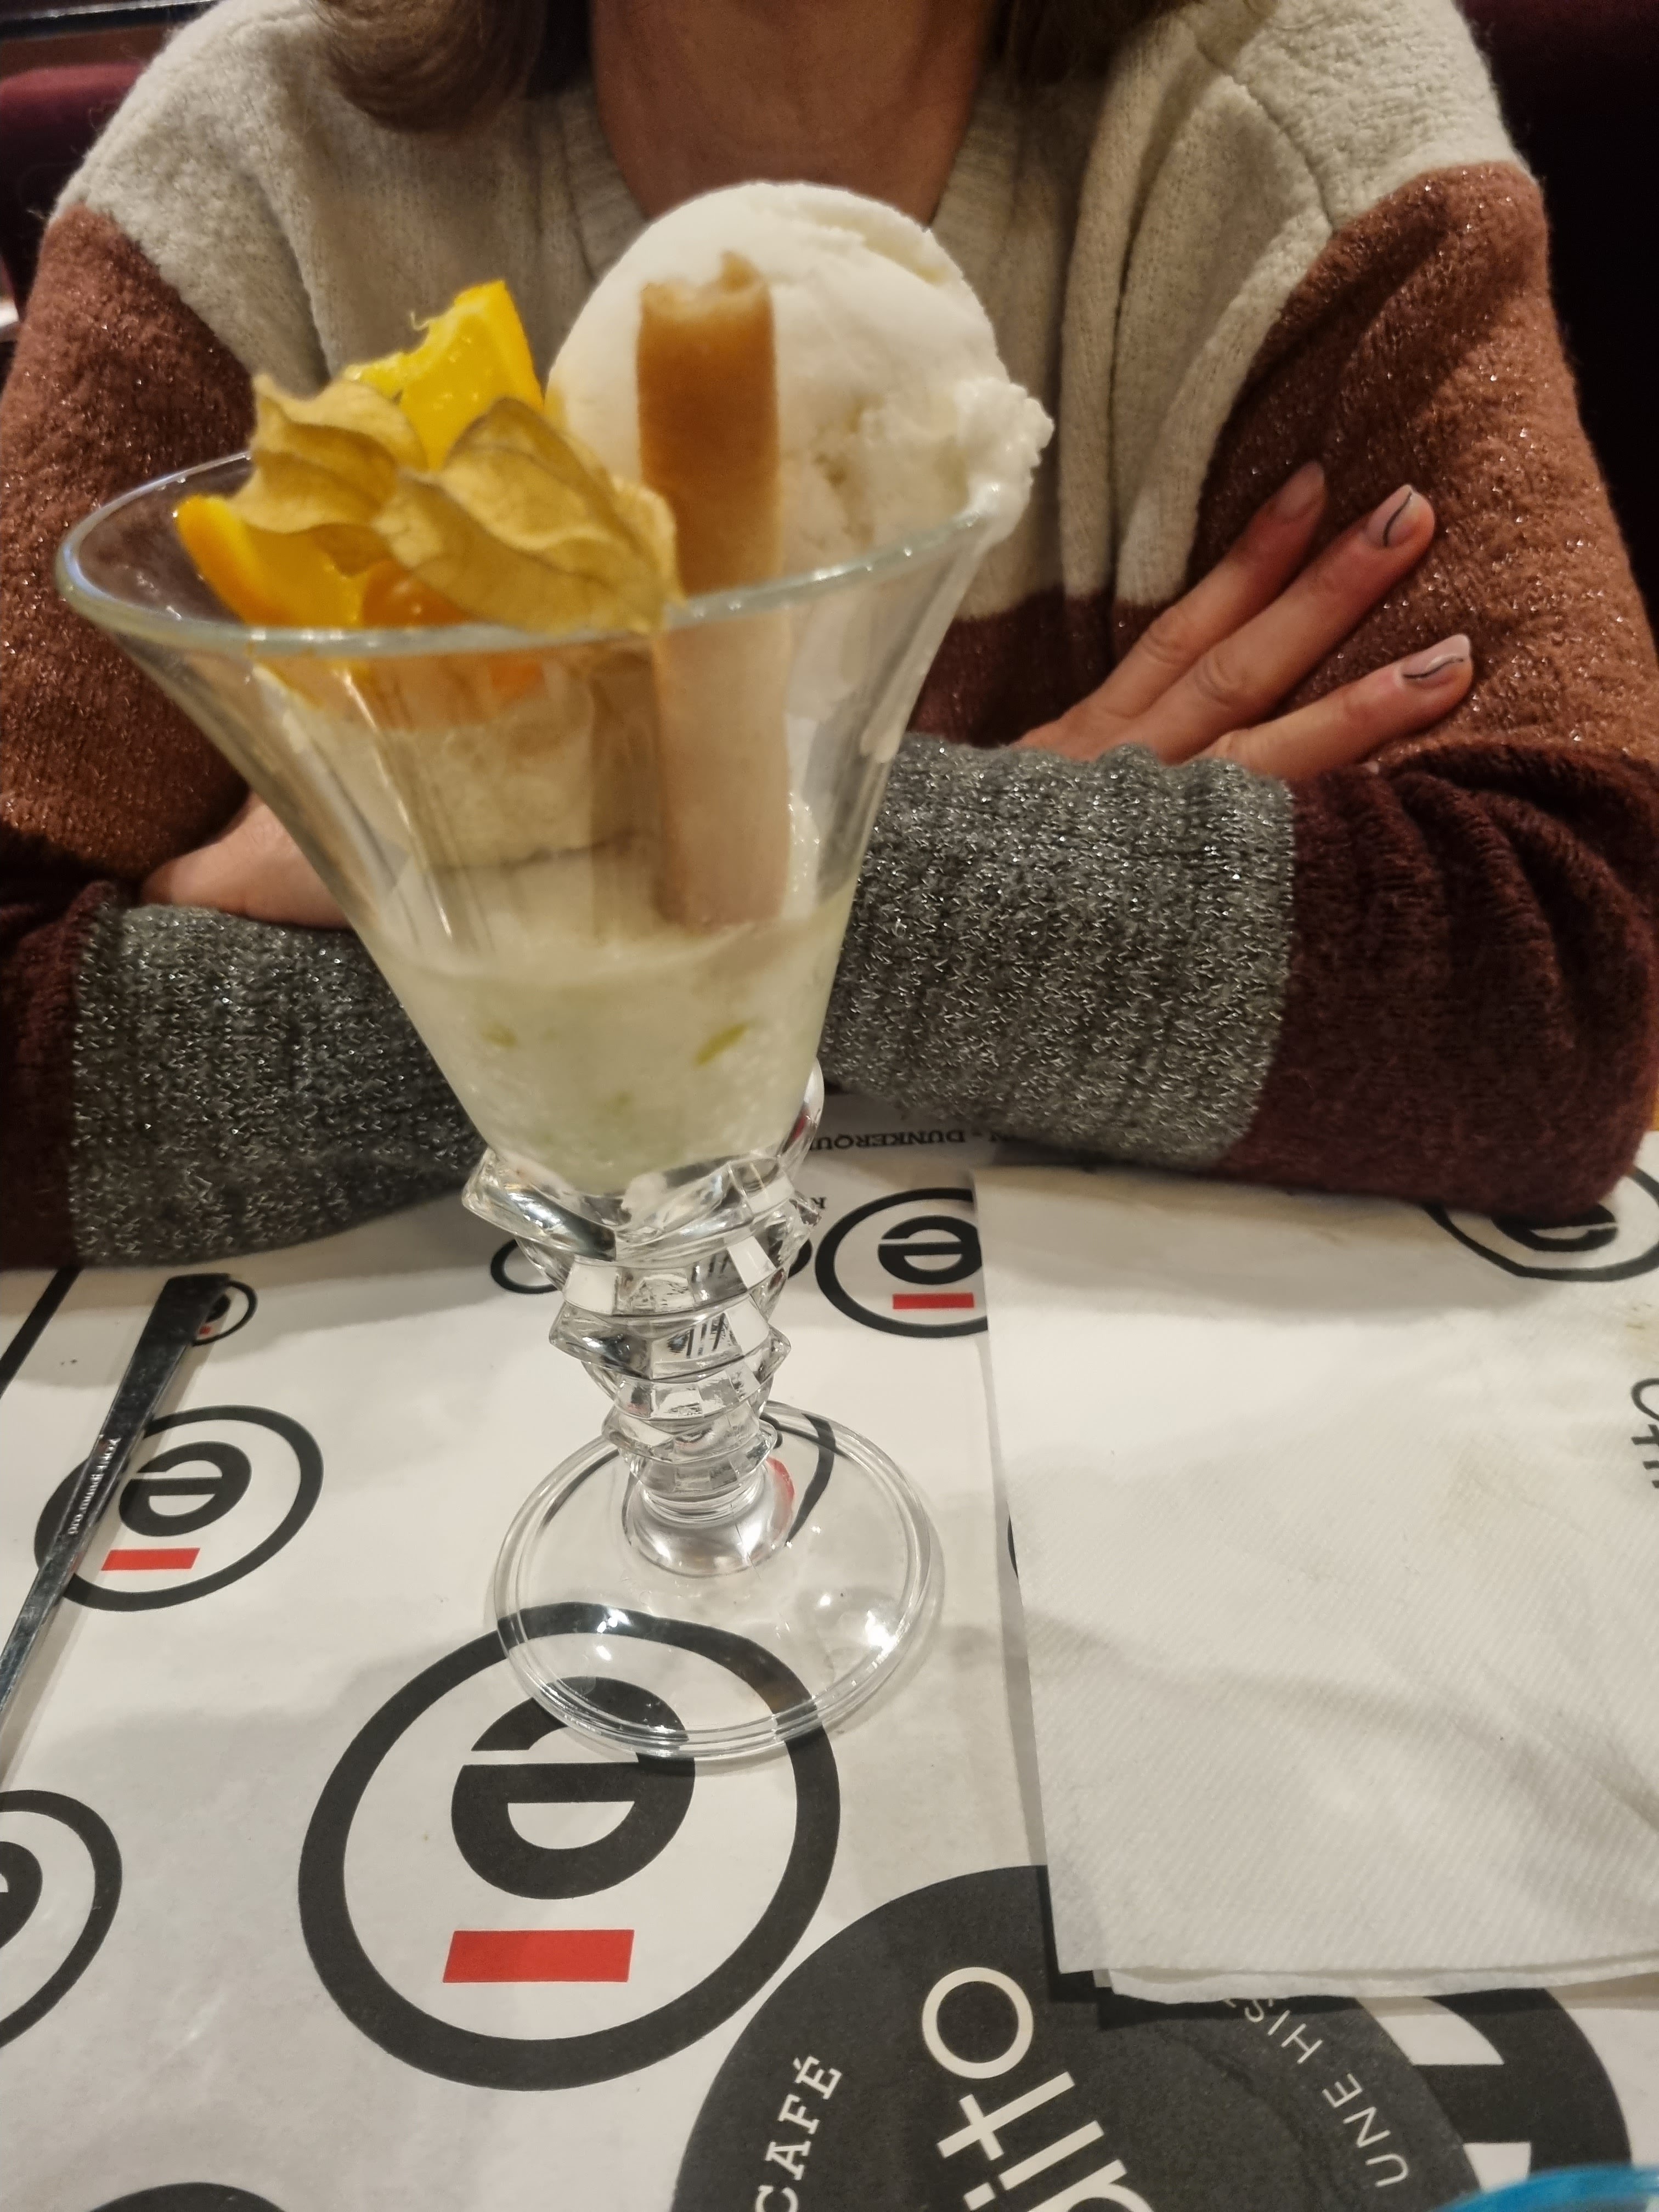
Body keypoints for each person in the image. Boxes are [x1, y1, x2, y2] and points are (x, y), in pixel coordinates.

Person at [3, 0, 1655, 1268]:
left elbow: (1581, 992)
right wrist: (1013, 874)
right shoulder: (249, 168)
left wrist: (519, 887)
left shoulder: (1299, 113)